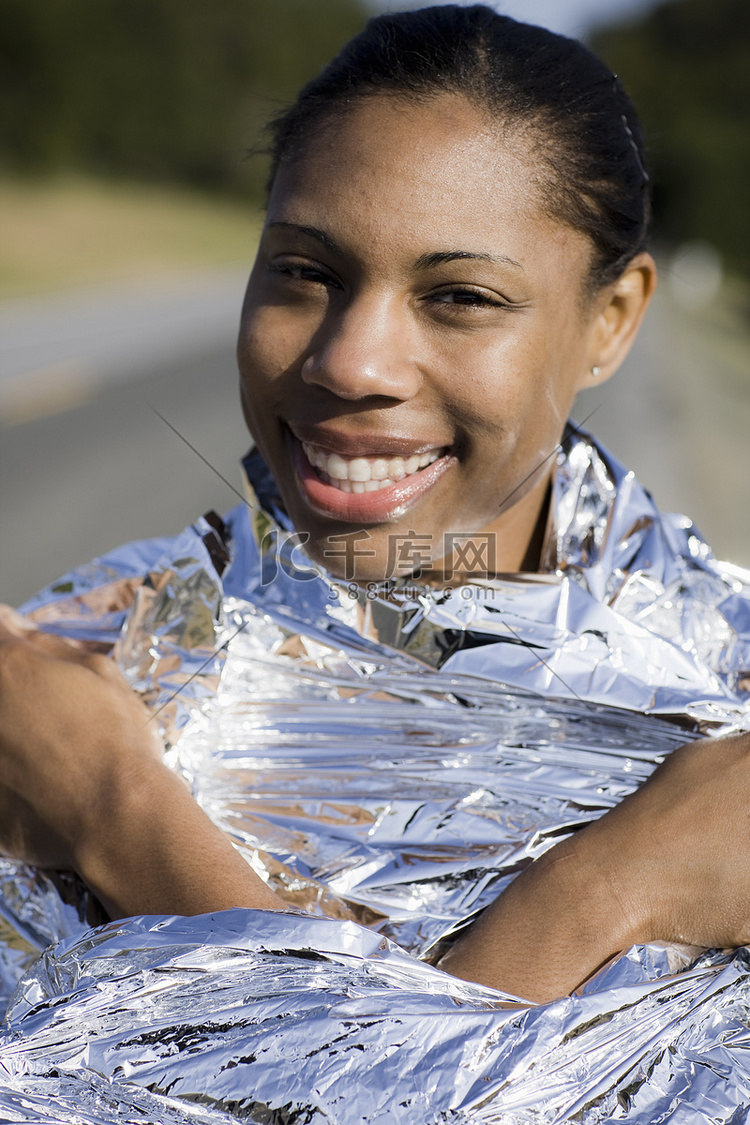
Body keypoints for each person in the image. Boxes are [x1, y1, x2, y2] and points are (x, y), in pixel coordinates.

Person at [0, 3, 748, 1014]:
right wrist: (608, 895)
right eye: (307, 273)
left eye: (461, 297)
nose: (349, 361)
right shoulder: (56, 691)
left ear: (609, 321)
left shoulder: (724, 723)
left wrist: (118, 828)